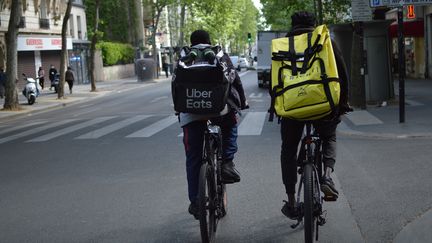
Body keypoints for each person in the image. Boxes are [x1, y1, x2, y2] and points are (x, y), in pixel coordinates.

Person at [279, 11, 352, 220]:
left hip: (293, 108)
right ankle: (327, 176)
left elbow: (277, 79)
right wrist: (343, 102)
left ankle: (292, 201)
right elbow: (342, 73)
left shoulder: (285, 43)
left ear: (293, 25)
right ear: (314, 24)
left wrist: (277, 105)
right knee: (329, 136)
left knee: (289, 149)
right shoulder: (325, 39)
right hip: (323, 104)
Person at [176, 30, 248, 219]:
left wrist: (179, 110)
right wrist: (241, 102)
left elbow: (176, 84)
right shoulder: (218, 54)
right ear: (209, 41)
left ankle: (196, 201)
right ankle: (227, 163)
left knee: (193, 158)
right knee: (231, 124)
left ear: (191, 43)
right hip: (219, 110)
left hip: (191, 113)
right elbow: (234, 79)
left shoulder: (184, 56)